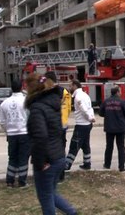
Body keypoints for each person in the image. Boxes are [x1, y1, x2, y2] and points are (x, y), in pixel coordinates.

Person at [24, 74, 77, 215]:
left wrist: (41, 162)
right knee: (51, 192)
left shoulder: (37, 108)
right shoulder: (53, 104)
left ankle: (71, 212)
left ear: (31, 89)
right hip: (58, 156)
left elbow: (40, 137)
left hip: (47, 161)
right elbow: (57, 132)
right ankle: (71, 212)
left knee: (45, 196)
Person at [0, 79, 29, 188]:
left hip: (11, 134)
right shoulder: (26, 101)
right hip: (24, 133)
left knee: (12, 157)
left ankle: (10, 181)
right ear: (22, 87)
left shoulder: (4, 103)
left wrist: (7, 130)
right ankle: (22, 181)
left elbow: (2, 122)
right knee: (23, 157)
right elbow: (30, 118)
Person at [44, 71, 72, 183]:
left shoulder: (48, 92)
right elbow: (69, 108)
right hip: (62, 125)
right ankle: (61, 176)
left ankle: (51, 175)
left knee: (50, 150)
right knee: (61, 149)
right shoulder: (65, 91)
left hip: (51, 125)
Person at [99, 86, 125, 172]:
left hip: (109, 128)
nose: (120, 93)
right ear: (117, 92)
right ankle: (121, 167)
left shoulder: (106, 101)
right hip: (120, 128)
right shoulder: (122, 102)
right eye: (120, 91)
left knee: (109, 147)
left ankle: (107, 164)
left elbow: (100, 113)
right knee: (121, 147)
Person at [65, 79, 95, 171]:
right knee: (85, 145)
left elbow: (84, 109)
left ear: (75, 86)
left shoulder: (78, 97)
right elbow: (90, 108)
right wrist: (91, 118)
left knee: (74, 144)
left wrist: (90, 118)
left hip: (81, 125)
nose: (69, 88)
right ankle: (87, 163)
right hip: (87, 125)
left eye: (70, 86)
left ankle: (67, 165)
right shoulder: (85, 95)